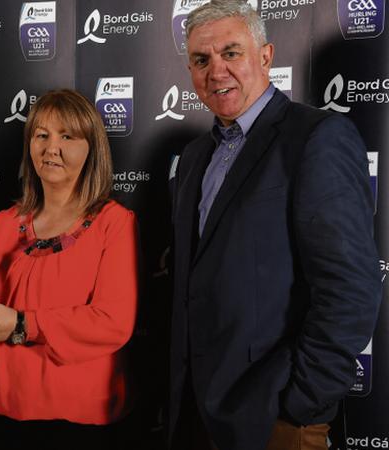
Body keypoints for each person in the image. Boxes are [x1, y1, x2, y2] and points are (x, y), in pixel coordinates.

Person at [170, 1, 382, 449]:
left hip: (273, 418)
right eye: (201, 60)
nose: (217, 71)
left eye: (231, 53)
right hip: (197, 413)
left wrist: (300, 408)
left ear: (265, 57)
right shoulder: (193, 158)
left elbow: (350, 288)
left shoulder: (316, 138)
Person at [0, 89, 138, 449]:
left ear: (92, 147)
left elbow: (113, 322)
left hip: (79, 418)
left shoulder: (114, 223)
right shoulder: (4, 222)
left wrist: (22, 325)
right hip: (1, 407)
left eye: (67, 136)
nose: (51, 148)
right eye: (41, 135)